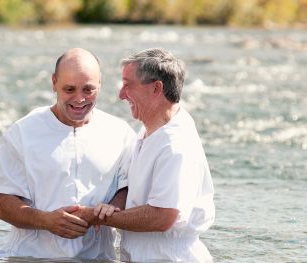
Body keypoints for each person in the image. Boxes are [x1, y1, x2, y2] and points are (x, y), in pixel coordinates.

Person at [0, 48, 135, 260]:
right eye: (69, 89)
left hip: (97, 258)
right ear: (54, 82)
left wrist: (108, 210)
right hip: (31, 258)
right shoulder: (21, 133)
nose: (79, 99)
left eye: (88, 89)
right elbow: (3, 204)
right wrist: (46, 220)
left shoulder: (121, 133)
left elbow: (128, 187)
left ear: (100, 84)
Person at [74, 48, 215, 262]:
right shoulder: (150, 129)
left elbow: (163, 216)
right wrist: (113, 206)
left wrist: (99, 216)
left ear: (156, 88)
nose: (121, 94)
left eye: (128, 85)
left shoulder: (176, 145)